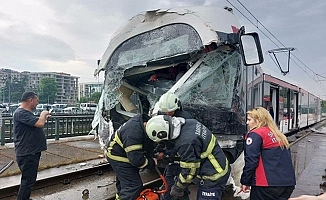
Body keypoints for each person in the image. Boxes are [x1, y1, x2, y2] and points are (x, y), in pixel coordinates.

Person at [146, 115, 230, 200]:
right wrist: (168, 155)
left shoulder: (186, 143)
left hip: (213, 176)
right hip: (219, 164)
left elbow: (190, 170)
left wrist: (178, 187)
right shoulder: (190, 123)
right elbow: (190, 151)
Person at [239, 107, 296, 200]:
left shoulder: (256, 134)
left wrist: (245, 181)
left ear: (259, 120)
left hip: (266, 185)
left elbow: (251, 161)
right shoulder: (278, 134)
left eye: (249, 120)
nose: (247, 123)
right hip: (287, 184)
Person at [106, 114, 157, 200]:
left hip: (123, 154)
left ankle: (120, 197)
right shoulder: (133, 133)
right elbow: (136, 161)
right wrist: (151, 162)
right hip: (118, 157)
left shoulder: (142, 124)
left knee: (124, 184)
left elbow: (147, 144)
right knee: (133, 186)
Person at [13, 92, 51, 200]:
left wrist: (44, 118)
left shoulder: (25, 113)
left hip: (30, 151)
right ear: (30, 100)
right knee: (28, 180)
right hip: (27, 153)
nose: (37, 103)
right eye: (37, 101)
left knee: (29, 179)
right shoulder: (21, 113)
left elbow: (36, 124)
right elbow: (39, 124)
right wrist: (43, 114)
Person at [156, 92, 193, 200]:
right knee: (169, 182)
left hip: (182, 153)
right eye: (165, 111)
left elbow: (187, 142)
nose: (167, 113)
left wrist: (170, 154)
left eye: (170, 111)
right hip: (170, 152)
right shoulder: (161, 114)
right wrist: (160, 148)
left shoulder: (186, 119)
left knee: (181, 184)